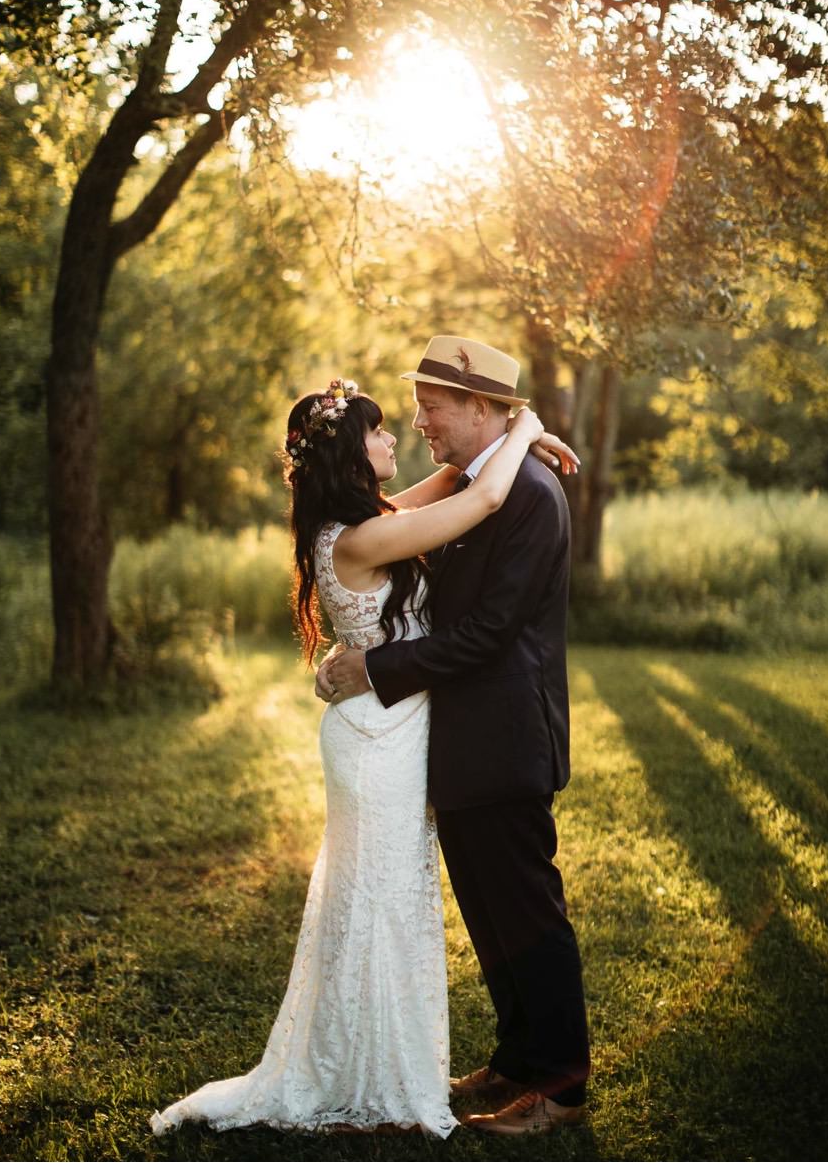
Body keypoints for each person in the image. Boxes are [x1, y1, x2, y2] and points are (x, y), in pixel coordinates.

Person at [150, 373, 576, 1137]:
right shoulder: (363, 533)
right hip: (381, 738)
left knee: (440, 902)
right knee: (384, 900)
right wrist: (521, 429)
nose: (404, 432)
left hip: (405, 727)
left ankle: (538, 1078)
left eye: (421, 414)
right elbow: (472, 498)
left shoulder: (369, 517)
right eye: (383, 429)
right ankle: (398, 1062)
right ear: (352, 453)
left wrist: (517, 432)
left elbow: (461, 482)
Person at [315, 334, 593, 1137]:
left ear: (481, 407)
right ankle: (518, 1058)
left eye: (432, 407)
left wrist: (376, 666)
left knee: (530, 912)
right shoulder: (479, 482)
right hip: (459, 741)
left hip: (507, 737)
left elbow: (489, 632)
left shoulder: (532, 494)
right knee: (489, 911)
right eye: (416, 407)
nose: (420, 420)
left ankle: (562, 1089)